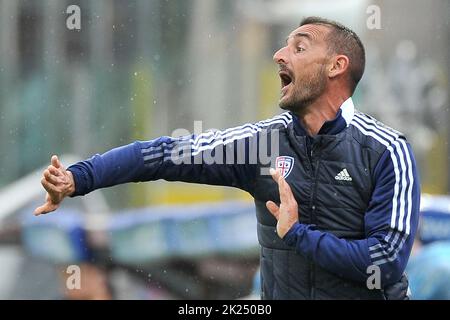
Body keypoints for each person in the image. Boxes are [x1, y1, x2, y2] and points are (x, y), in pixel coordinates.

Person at [35, 17, 420, 300]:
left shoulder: (387, 151)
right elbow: (163, 154)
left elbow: (383, 262)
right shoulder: (261, 144)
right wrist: (78, 178)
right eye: (284, 45)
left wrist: (299, 235)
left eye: (299, 47)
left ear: (337, 66)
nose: (279, 54)